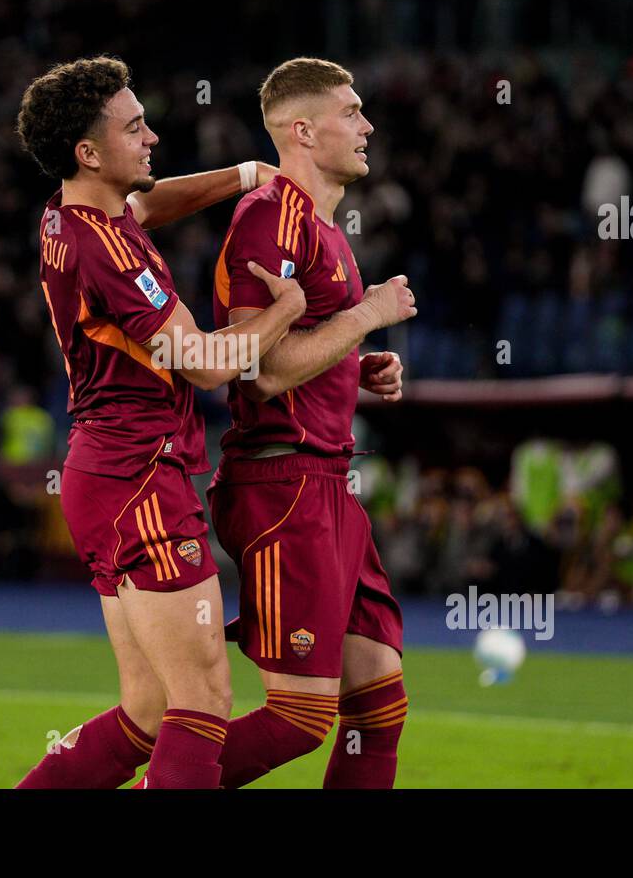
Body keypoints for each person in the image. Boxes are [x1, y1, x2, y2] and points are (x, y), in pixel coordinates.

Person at [14, 56, 306, 789]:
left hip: (102, 473)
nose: (152, 136)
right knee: (202, 700)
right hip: (140, 476)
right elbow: (207, 364)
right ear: (89, 153)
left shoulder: (69, 212)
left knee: (147, 711)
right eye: (134, 126)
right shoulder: (106, 250)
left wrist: (243, 176)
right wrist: (287, 312)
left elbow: (148, 205)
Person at [206, 58, 417, 788]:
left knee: (380, 704)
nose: (367, 125)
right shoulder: (271, 217)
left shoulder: (325, 228)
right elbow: (258, 368)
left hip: (328, 485)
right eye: (351, 111)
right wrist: (367, 316)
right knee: (299, 717)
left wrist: (358, 365)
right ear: (303, 129)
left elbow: (307, 352)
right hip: (281, 486)